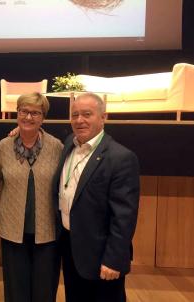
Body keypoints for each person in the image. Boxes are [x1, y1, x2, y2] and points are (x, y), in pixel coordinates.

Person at [53, 92, 140, 302]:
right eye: (75, 115)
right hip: (72, 248)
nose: (79, 120)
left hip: (102, 257)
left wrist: (114, 259)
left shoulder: (121, 158)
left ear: (103, 117)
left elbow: (124, 217)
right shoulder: (68, 145)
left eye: (87, 114)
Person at [0, 92, 63, 302]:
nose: (28, 117)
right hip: (12, 230)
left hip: (47, 231)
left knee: (44, 291)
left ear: (43, 117)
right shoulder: (3, 147)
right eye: (24, 111)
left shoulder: (56, 147)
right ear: (17, 113)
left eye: (35, 113)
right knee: (16, 291)